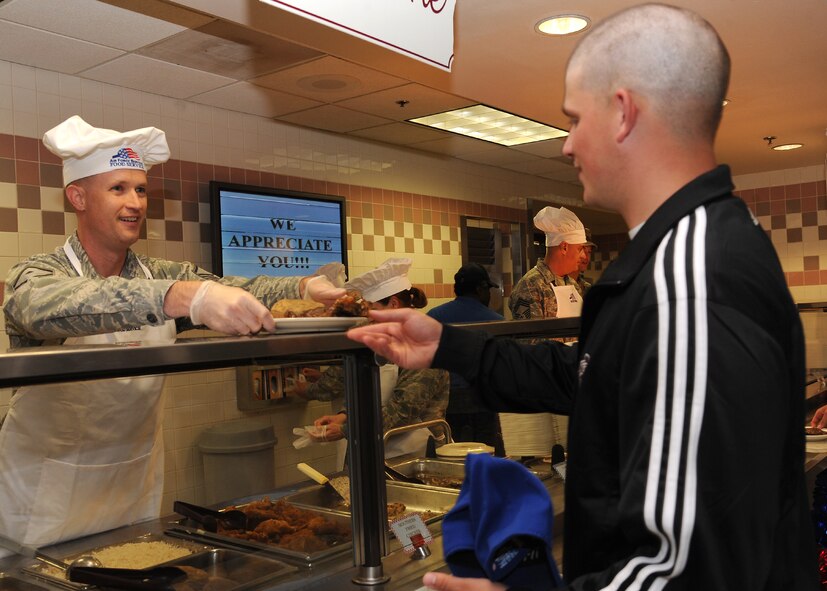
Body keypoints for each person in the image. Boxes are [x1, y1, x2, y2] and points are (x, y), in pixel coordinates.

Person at [348, 4, 818, 590]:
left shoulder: (692, 280)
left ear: (622, 112)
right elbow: (593, 375)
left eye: (573, 119)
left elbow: (695, 566)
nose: (567, 145)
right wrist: (452, 347)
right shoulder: (675, 257)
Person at [0, 115, 344, 553]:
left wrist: (302, 286)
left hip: (130, 482)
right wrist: (181, 297)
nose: (136, 202)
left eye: (141, 189)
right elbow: (43, 307)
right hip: (42, 494)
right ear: (78, 196)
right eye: (119, 188)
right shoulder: (38, 274)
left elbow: (238, 288)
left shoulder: (158, 273)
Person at [309, 258, 449, 459]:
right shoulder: (387, 342)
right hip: (377, 449)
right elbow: (372, 397)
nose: (369, 320)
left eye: (373, 312)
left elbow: (403, 409)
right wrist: (343, 417)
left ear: (393, 304)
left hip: (416, 456)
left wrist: (346, 430)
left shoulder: (423, 343)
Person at [427, 263, 504, 449]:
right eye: (488, 290)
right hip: (484, 403)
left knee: (452, 455)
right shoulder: (497, 322)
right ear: (480, 289)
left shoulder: (433, 317)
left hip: (446, 405)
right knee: (485, 455)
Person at [509, 206, 590, 320]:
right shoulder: (530, 286)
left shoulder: (573, 284)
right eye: (579, 249)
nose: (583, 256)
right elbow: (530, 336)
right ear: (564, 247)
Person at [567, 228, 596, 296]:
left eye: (589, 252)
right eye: (580, 250)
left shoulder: (587, 288)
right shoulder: (556, 284)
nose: (586, 257)